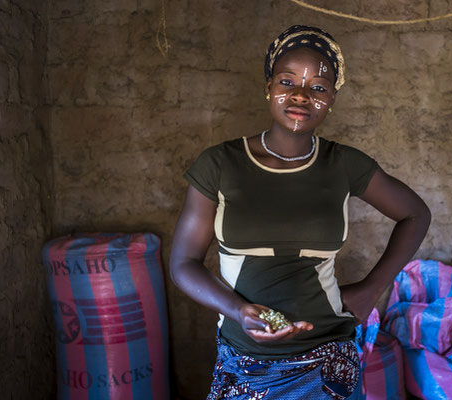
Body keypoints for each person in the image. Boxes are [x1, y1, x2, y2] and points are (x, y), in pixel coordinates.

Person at [169, 25, 431, 400]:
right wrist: (240, 311)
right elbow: (183, 263)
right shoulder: (220, 164)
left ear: (332, 99)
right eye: (287, 81)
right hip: (246, 360)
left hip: (327, 361)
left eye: (318, 88)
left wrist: (371, 289)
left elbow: (415, 215)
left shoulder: (344, 165)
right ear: (268, 87)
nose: (300, 95)